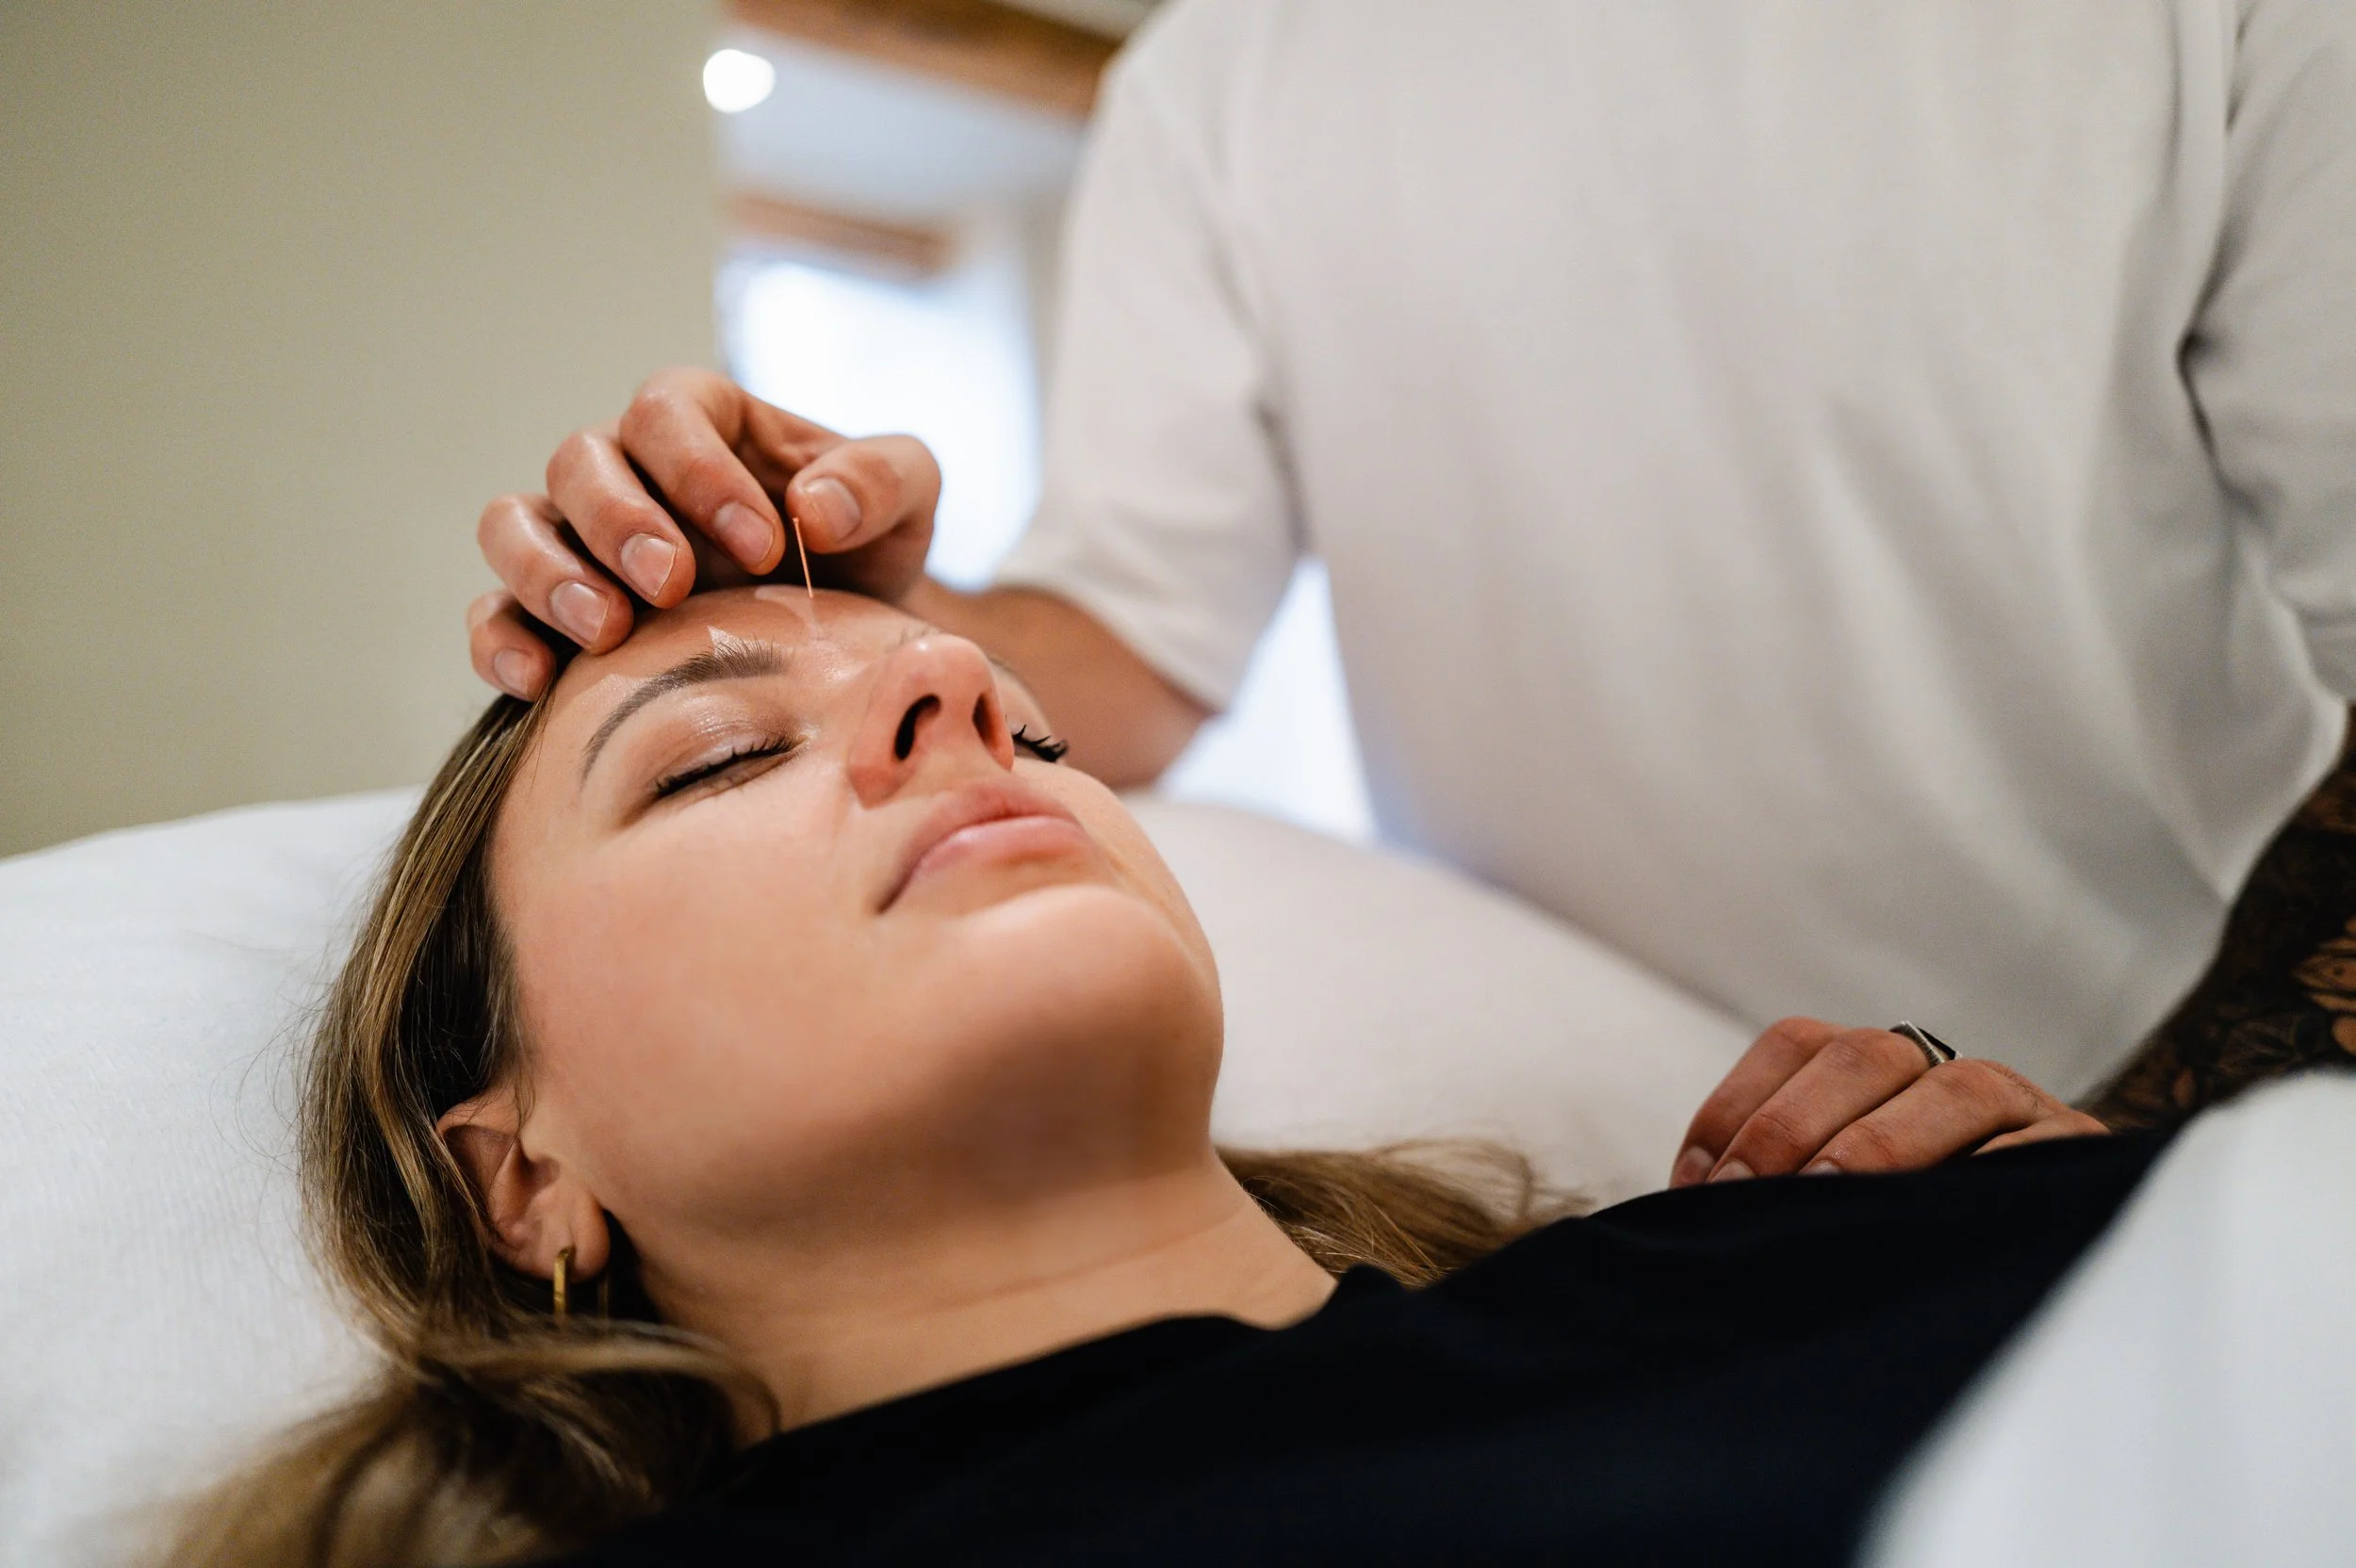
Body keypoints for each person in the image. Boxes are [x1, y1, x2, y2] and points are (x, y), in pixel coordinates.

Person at [465, 0, 2356, 1100]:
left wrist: (2138, 1163)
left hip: (2185, 1054)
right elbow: (1120, 644)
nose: (956, 707)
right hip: (1653, 1143)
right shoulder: (1218, 81)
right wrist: (883, 609)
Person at [176, 586, 2151, 1568]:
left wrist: (2134, 1239)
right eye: (713, 759)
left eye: (1023, 727)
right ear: (519, 1174)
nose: (958, 702)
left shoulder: (1795, 1242)